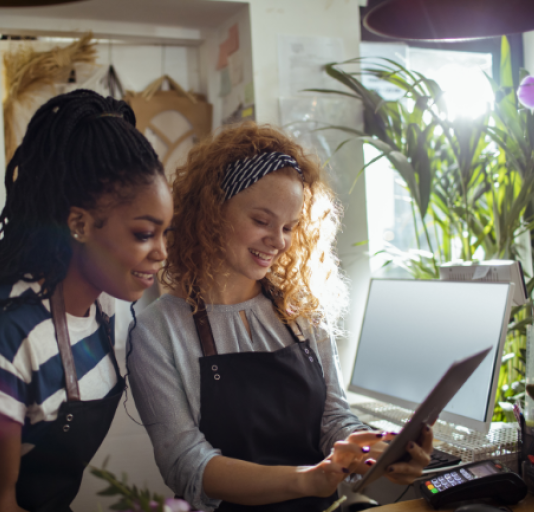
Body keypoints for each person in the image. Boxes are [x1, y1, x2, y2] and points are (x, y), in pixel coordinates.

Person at [127, 123, 433, 512]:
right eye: (261, 221)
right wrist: (309, 479)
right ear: (212, 213)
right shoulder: (158, 330)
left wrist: (374, 451)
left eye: (289, 227)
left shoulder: (300, 312)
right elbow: (186, 464)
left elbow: (334, 419)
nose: (280, 240)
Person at [0, 90, 173, 512]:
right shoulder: (0, 337)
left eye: (166, 232)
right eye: (144, 234)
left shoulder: (100, 308)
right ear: (79, 223)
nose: (162, 252)